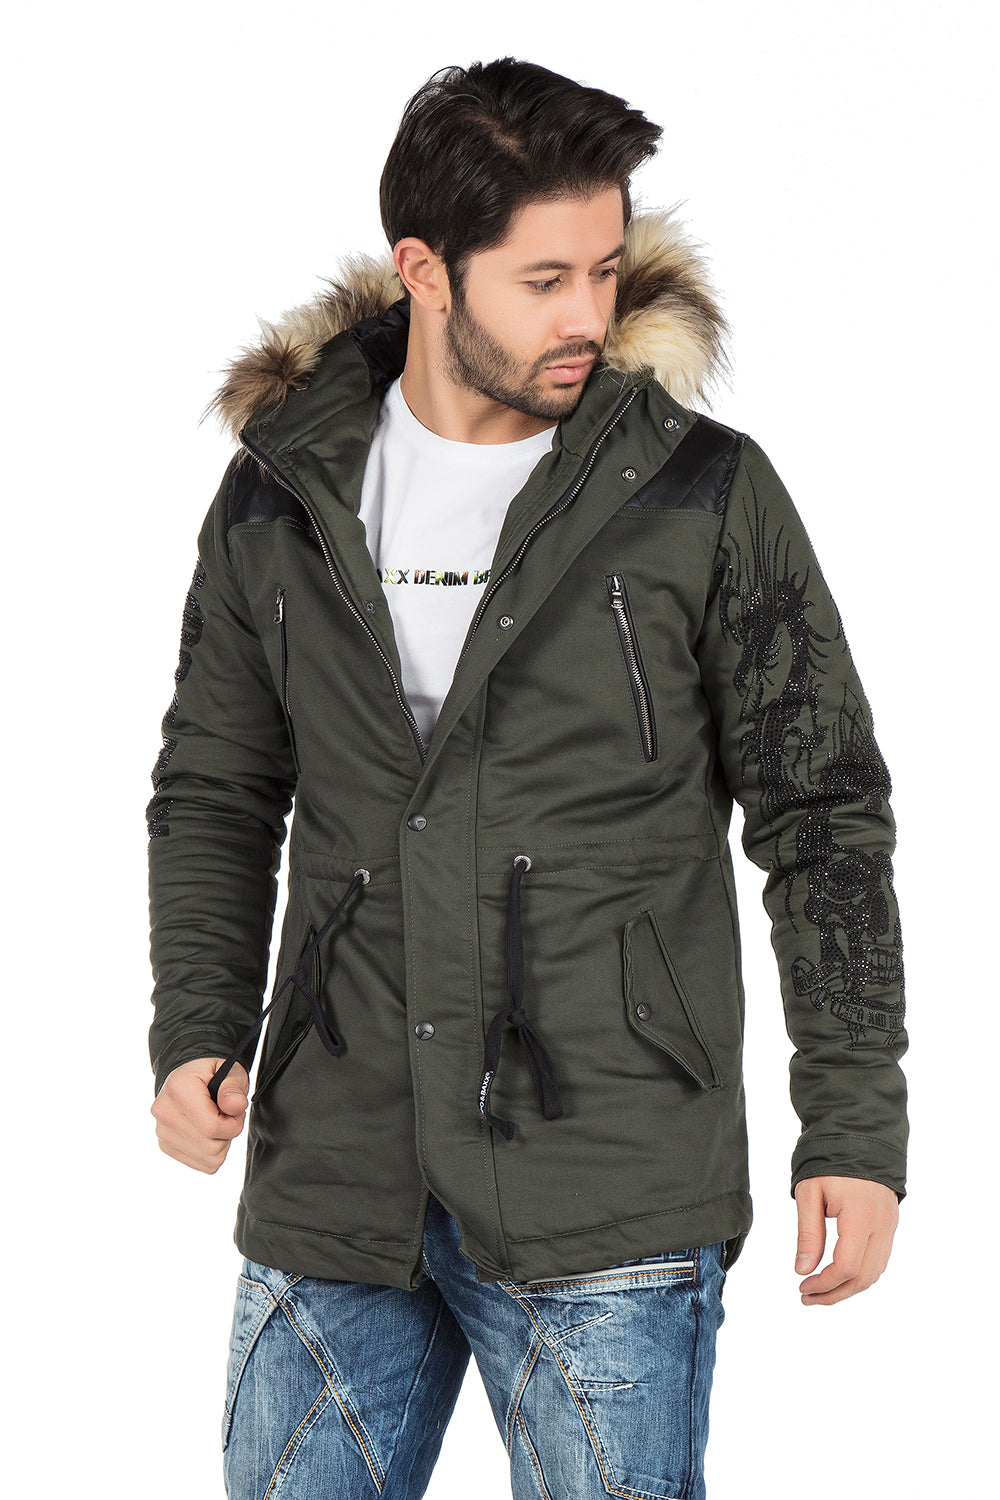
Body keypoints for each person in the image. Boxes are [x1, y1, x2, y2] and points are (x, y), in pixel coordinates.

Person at [147, 57, 908, 1500]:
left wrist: (856, 1126)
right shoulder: (281, 494)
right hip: (339, 1163)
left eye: (606, 271)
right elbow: (215, 788)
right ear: (424, 271)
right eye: (544, 279)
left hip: (609, 1170)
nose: (588, 318)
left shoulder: (698, 492)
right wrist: (196, 1024)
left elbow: (824, 818)